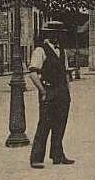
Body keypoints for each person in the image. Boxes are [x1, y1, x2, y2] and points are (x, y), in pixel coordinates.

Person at [28, 21, 74, 168]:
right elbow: (33, 74)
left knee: (61, 123)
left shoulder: (62, 51)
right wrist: (42, 91)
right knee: (45, 124)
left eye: (60, 34)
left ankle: (57, 155)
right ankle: (36, 158)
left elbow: (66, 72)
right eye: (56, 33)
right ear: (49, 34)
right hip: (48, 90)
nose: (58, 37)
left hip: (61, 92)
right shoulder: (40, 51)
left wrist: (67, 91)